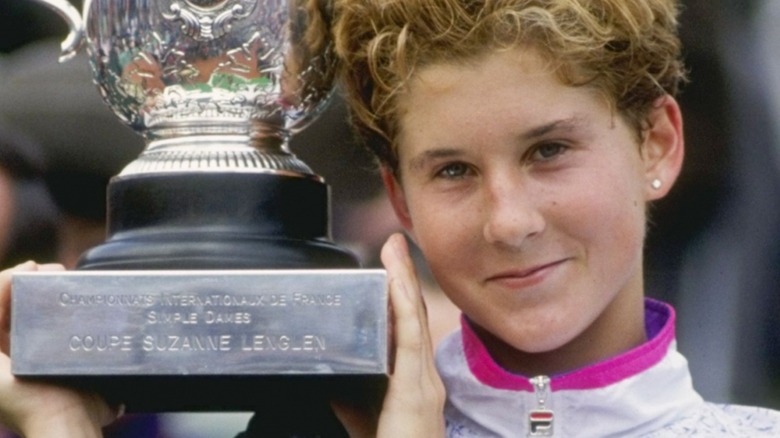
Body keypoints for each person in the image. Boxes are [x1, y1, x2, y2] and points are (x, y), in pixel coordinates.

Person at [1, 1, 780, 438]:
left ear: (658, 144)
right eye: (452, 171)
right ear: (399, 198)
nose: (508, 221)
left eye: (548, 152)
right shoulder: (309, 433)